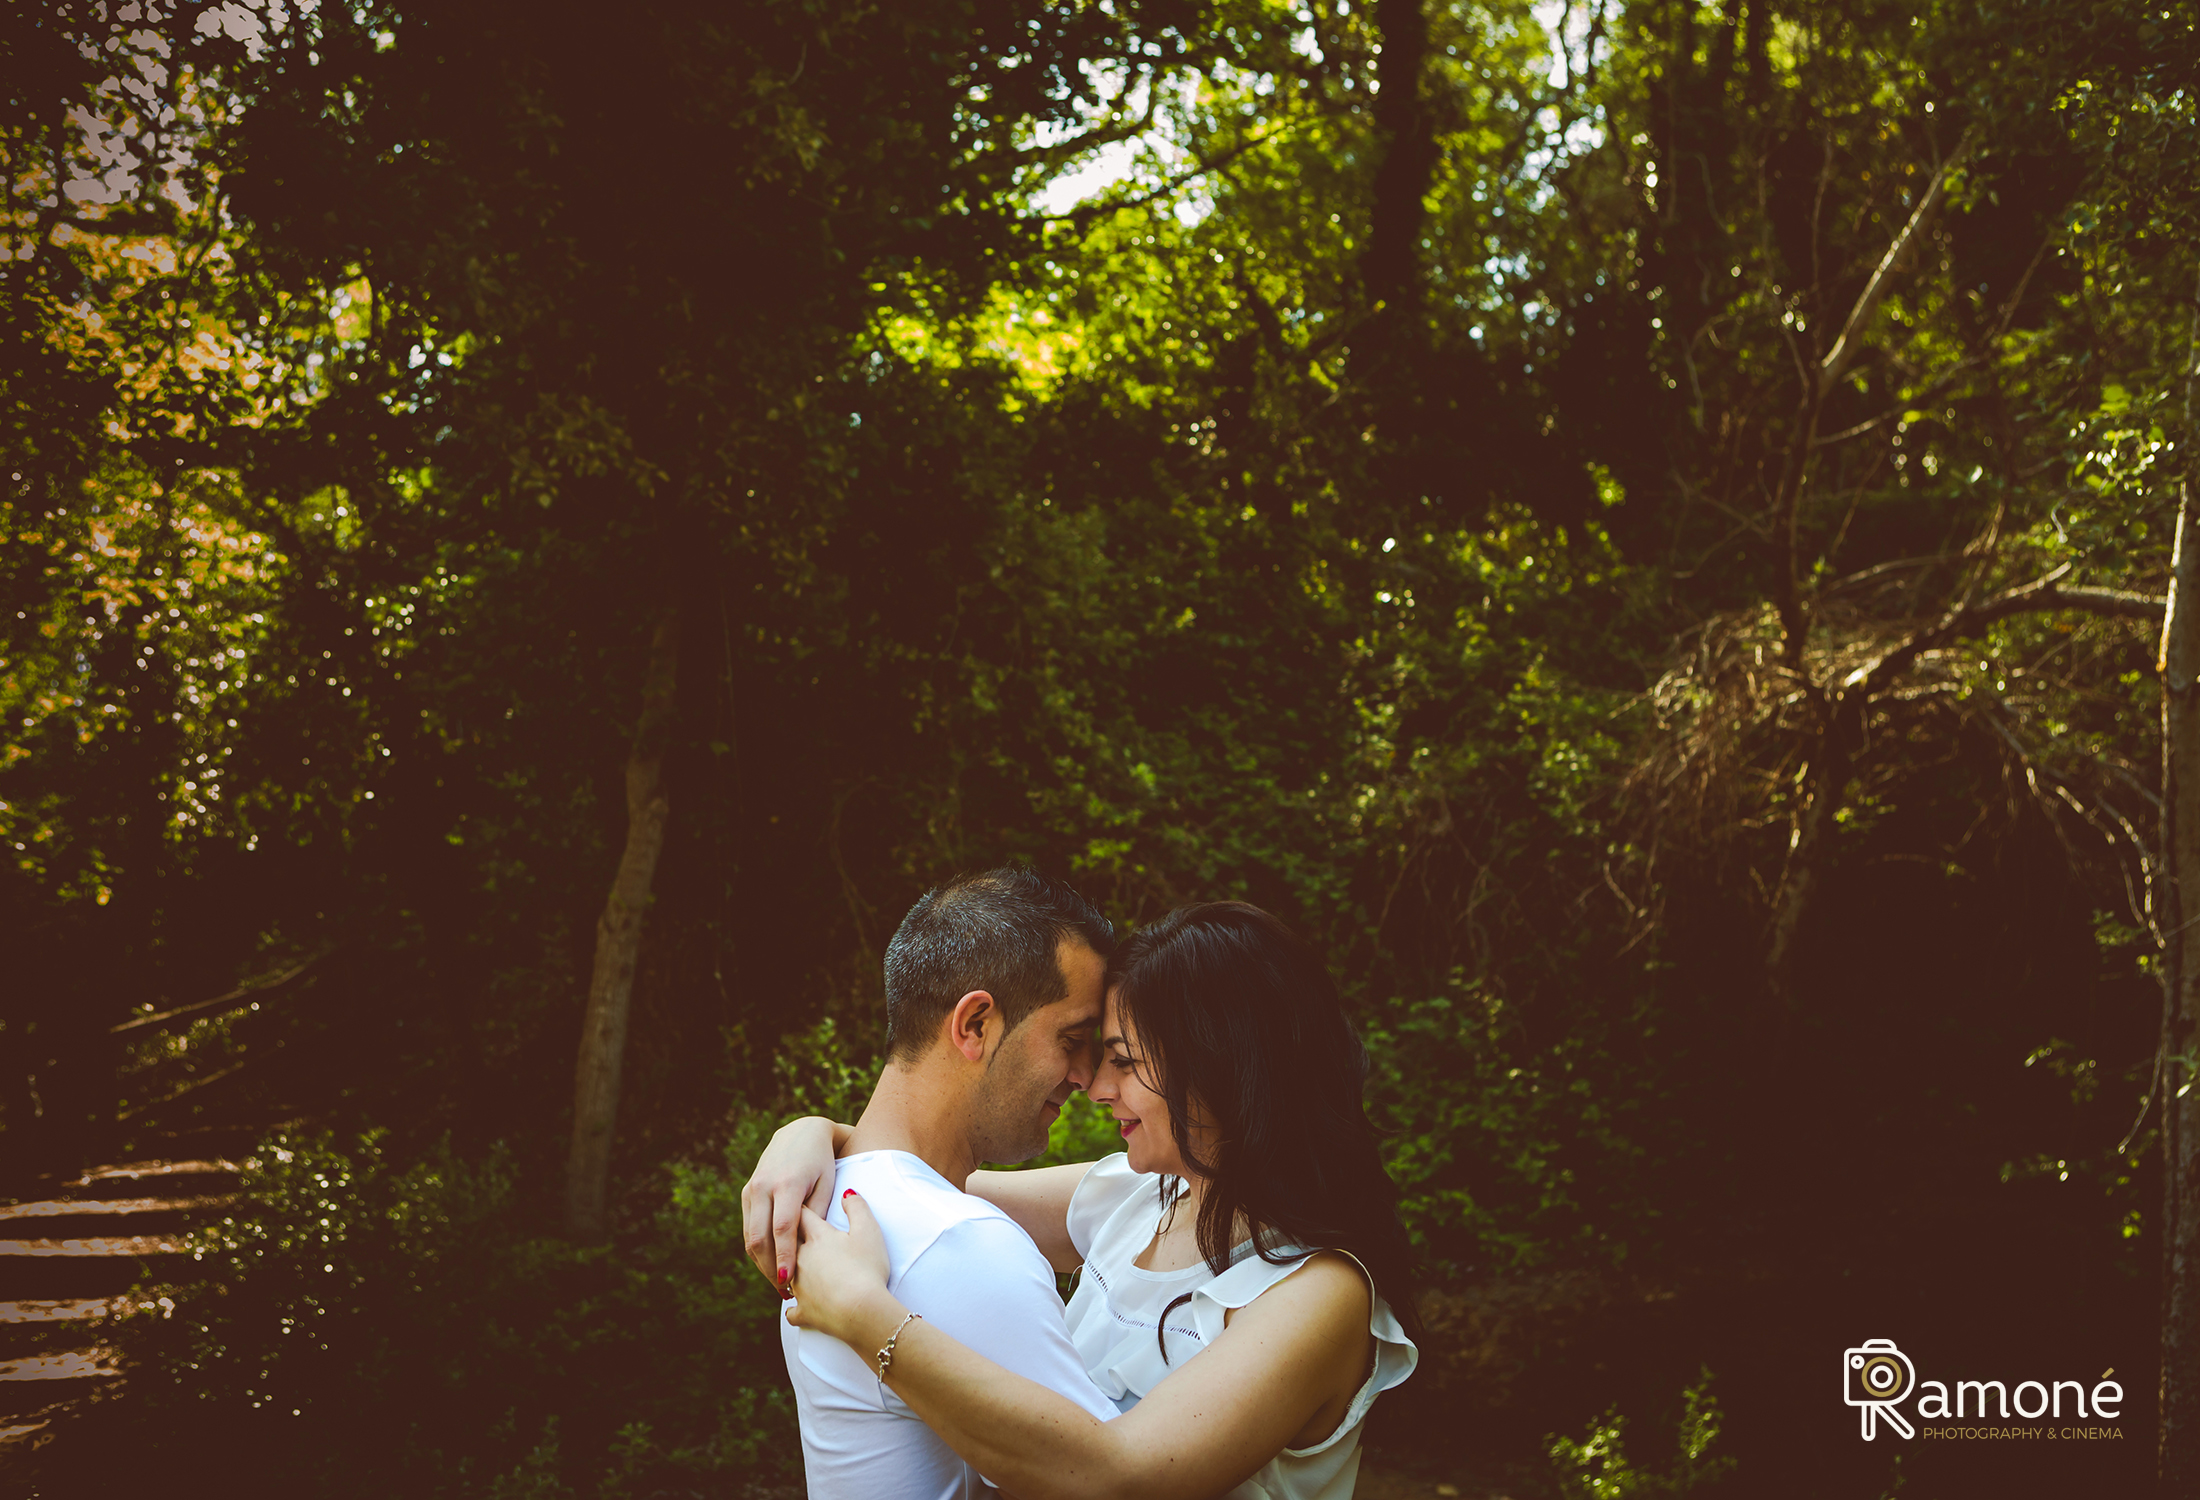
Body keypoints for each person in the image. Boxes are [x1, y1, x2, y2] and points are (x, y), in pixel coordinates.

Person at [747, 901, 1420, 1500]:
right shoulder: (1136, 1198)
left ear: (1224, 1065)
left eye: (1123, 1061)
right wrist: (808, 1135)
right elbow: (912, 1181)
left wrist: (867, 1318)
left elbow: (1118, 1477)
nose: (1096, 1087)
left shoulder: (1318, 1294)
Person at [761, 866, 1125, 1500]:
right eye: (1071, 1039)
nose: (1087, 1076)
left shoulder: (838, 1195)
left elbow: (1140, 1203)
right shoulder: (959, 1241)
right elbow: (1121, 1484)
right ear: (975, 1025)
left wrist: (816, 1128)